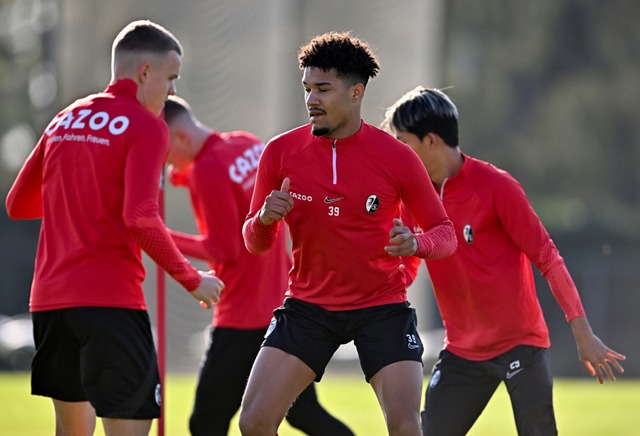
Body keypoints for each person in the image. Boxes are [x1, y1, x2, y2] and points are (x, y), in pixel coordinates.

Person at [5, 20, 224, 436]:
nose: (173, 92)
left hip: (51, 304)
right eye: (171, 78)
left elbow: (18, 205)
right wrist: (191, 278)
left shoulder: (64, 119)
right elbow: (140, 216)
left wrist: (80, 200)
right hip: (109, 303)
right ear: (145, 73)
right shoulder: (146, 125)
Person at [238, 32, 457, 436]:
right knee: (253, 421)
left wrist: (417, 243)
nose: (311, 100)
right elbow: (254, 242)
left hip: (382, 306)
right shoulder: (280, 153)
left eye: (323, 89)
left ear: (356, 93)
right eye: (306, 89)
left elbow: (445, 233)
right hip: (308, 307)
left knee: (407, 427)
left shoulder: (397, 157)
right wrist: (265, 220)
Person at [382, 86, 627, 435]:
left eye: (402, 142)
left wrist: (582, 331)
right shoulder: (411, 198)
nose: (396, 152)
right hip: (462, 353)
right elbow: (406, 266)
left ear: (431, 141)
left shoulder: (496, 186)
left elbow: (547, 257)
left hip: (521, 346)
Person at [162, 96, 354, 436]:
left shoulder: (208, 171)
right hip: (282, 304)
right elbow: (235, 195)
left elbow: (223, 249)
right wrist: (185, 178)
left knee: (206, 422)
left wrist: (159, 235)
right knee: (303, 413)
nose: (168, 165)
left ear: (179, 139)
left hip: (243, 317)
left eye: (165, 156)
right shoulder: (246, 144)